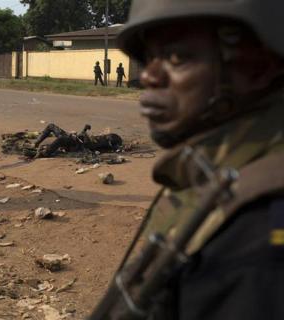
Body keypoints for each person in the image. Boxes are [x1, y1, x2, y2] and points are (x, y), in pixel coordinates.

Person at [91, 0, 284, 319]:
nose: (148, 76)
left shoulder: (260, 241)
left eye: (176, 57)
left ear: (258, 67)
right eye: (150, 57)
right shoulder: (222, 170)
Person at [34, 123, 122, 158]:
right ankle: (36, 143)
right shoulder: (102, 139)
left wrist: (82, 135)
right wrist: (83, 130)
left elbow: (87, 145)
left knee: (60, 139)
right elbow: (82, 137)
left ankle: (46, 153)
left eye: (108, 136)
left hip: (75, 144)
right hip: (74, 139)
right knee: (51, 126)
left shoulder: (104, 143)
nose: (106, 135)